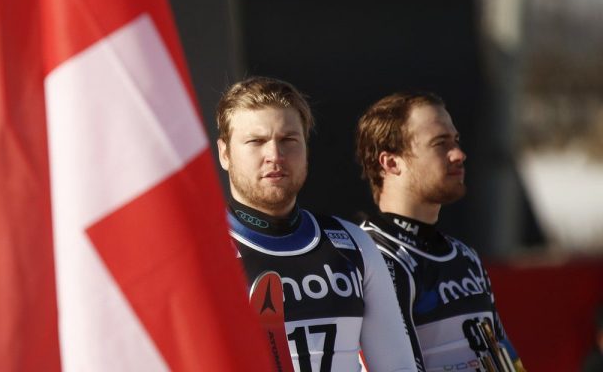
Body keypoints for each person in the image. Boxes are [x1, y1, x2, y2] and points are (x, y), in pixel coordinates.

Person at [216, 76, 416, 372]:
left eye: (288, 140)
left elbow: (397, 367)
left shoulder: (352, 244)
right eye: (256, 141)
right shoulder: (203, 253)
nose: (274, 155)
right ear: (225, 153)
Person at [354, 91, 526, 372]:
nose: (459, 154)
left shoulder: (464, 256)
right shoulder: (370, 257)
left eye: (455, 141)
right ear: (391, 163)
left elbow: (506, 360)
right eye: (439, 144)